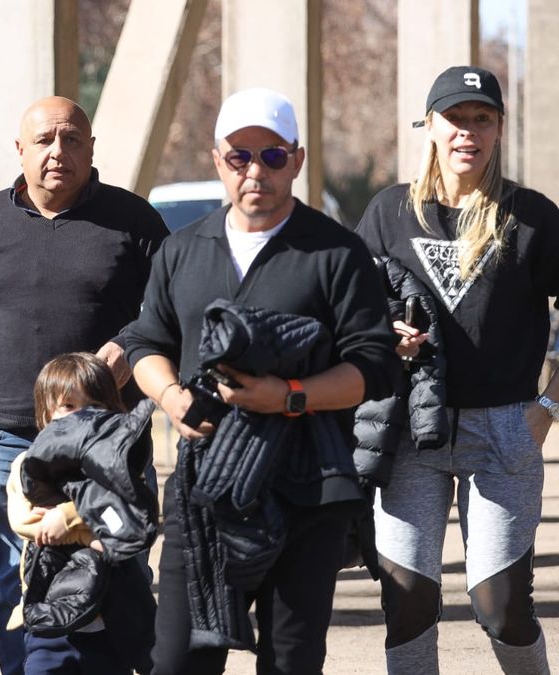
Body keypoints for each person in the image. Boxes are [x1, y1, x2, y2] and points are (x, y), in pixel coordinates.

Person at [124, 88, 399, 673]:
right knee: (175, 661)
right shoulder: (182, 249)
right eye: (240, 156)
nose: (256, 171)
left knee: (291, 662)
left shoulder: (335, 252)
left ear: (297, 160)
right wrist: (171, 397)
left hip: (307, 490)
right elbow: (146, 342)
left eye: (273, 156)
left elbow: (373, 365)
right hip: (206, 493)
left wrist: (290, 397)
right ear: (217, 159)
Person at [0, 96, 169, 675]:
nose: (58, 152)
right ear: (19, 150)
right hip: (6, 439)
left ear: (92, 149)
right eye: (44, 141)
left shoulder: (135, 221)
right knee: (18, 579)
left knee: (120, 569)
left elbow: (172, 310)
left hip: (108, 441)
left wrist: (132, 342)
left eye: (72, 139)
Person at [357, 66, 558, 674]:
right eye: (455, 118)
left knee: (501, 608)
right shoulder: (390, 211)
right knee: (409, 601)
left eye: (482, 119)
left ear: (498, 128)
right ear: (431, 126)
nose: (467, 131)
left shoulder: (531, 215)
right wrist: (384, 334)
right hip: (410, 433)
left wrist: (546, 407)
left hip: (504, 431)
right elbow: (351, 308)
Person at [6, 352, 156, 674]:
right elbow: (25, 520)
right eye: (69, 406)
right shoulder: (28, 464)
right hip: (50, 608)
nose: (81, 417)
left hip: (111, 616)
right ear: (46, 415)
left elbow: (131, 517)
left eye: (93, 406)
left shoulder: (120, 466)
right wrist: (89, 533)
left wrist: (69, 518)